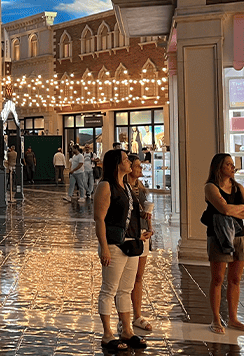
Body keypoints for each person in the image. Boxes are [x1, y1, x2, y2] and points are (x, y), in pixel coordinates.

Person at [95, 149, 149, 352]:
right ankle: (107, 333)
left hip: (132, 243)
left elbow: (130, 215)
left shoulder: (126, 186)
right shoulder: (106, 186)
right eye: (126, 160)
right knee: (109, 289)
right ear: (117, 164)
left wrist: (139, 232)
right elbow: (99, 218)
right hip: (114, 244)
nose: (130, 162)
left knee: (125, 290)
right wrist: (104, 247)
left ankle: (126, 330)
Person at [203, 153, 244, 335]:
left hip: (239, 235)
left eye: (233, 165)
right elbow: (223, 209)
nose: (233, 168)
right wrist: (239, 208)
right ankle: (216, 318)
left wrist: (234, 210)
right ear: (219, 167)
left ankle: (233, 319)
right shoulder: (211, 187)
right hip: (218, 236)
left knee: (235, 279)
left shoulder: (238, 187)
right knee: (218, 278)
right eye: (228, 164)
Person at [126, 153, 154, 332]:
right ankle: (125, 316)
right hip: (129, 234)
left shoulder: (142, 189)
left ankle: (137, 314)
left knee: (138, 276)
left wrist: (150, 226)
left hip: (142, 232)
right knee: (126, 278)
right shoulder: (122, 187)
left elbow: (146, 211)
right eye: (137, 166)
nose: (140, 169)